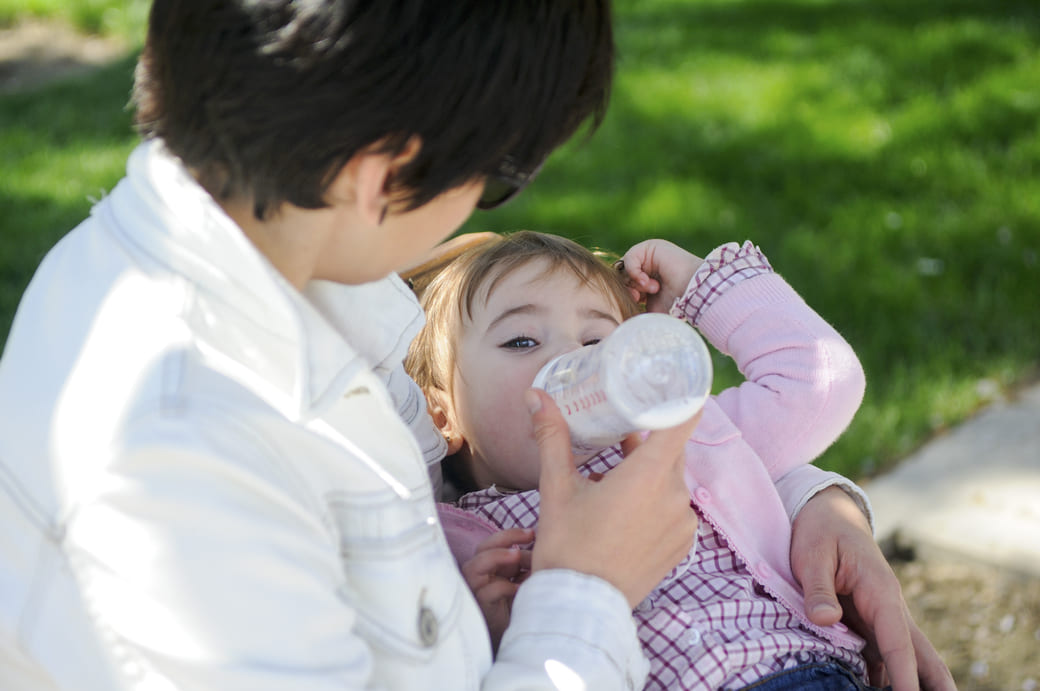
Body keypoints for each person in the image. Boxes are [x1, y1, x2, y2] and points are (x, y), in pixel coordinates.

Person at [0, 2, 953, 690]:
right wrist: (584, 590)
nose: (483, 211)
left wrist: (815, 505)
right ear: (383, 174)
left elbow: (713, 451)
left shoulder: (310, 283)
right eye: (496, 174)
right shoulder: (178, 465)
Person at [405, 231, 955, 690]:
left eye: (598, 339)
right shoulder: (449, 537)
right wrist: (493, 628)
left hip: (798, 671)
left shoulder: (683, 441)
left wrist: (697, 284)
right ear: (440, 415)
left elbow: (818, 380)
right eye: (522, 341)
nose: (573, 359)